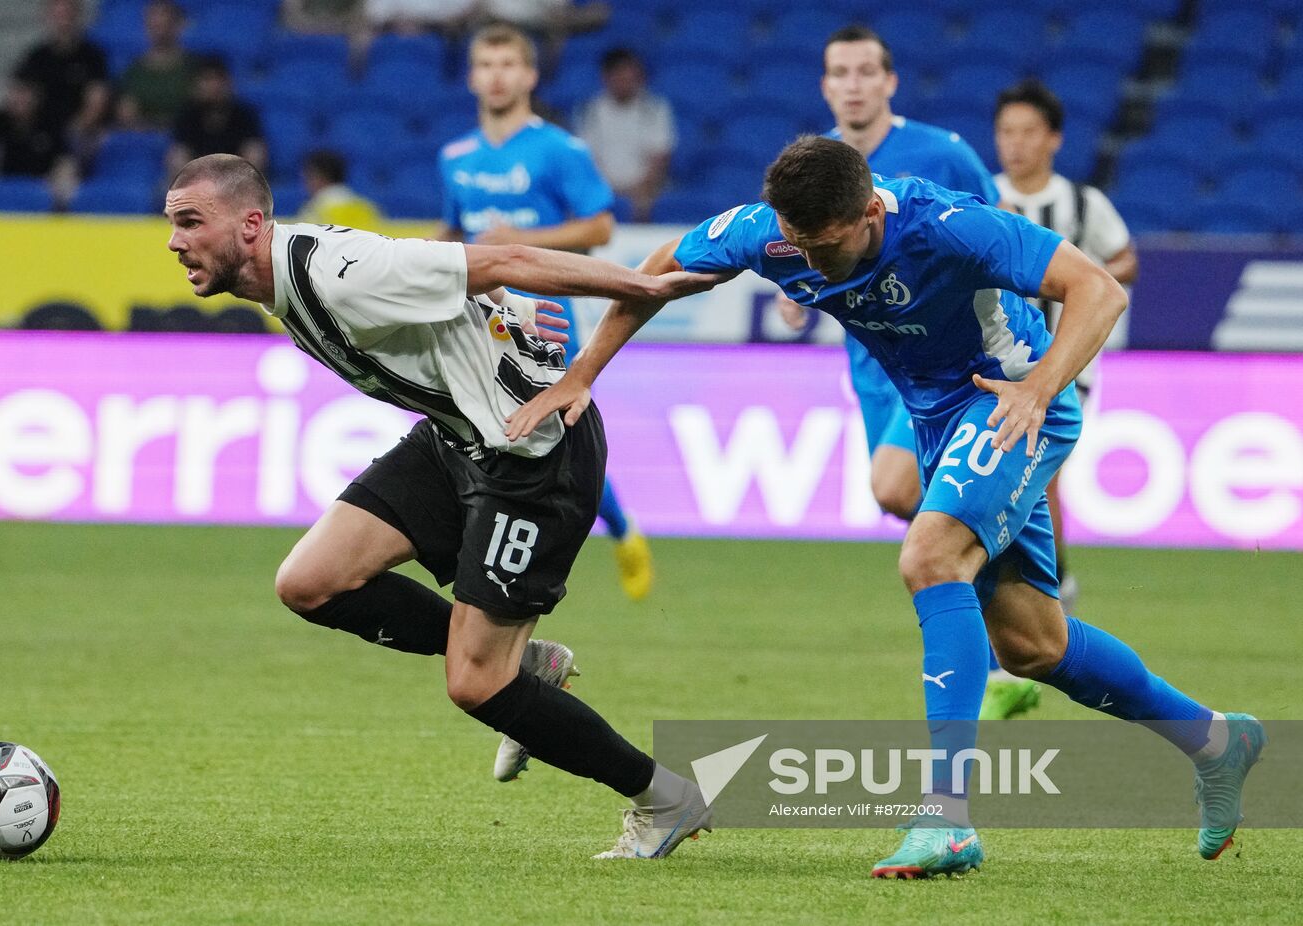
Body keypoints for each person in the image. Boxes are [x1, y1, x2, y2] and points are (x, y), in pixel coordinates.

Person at [505, 135, 1264, 878]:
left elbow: (1100, 288)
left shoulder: (948, 227)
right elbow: (660, 271)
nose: (807, 262)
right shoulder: (768, 235)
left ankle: (946, 819)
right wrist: (582, 375)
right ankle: (1215, 741)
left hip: (1009, 403)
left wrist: (1040, 387)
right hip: (937, 421)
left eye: (824, 247)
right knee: (1033, 646)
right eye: (797, 245)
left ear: (869, 211)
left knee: (929, 557)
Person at [163, 153, 722, 859]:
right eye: (171, 224)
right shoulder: (281, 277)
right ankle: (530, 665)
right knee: (310, 583)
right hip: (455, 442)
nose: (175, 241)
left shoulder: (340, 272)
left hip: (532, 455)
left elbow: (504, 258)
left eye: (190, 222)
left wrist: (643, 285)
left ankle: (663, 797)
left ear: (250, 225)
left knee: (474, 683)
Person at [782, 25, 1036, 722]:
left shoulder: (941, 153)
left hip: (947, 357)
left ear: (890, 82)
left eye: (868, 71)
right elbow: (794, 250)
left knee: (896, 488)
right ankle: (998, 656)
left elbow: (1001, 229)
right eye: (842, 72)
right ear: (825, 85)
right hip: (873, 364)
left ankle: (998, 627)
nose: (855, 83)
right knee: (909, 506)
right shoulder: (812, 165)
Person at [437, 24, 653, 622]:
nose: (498, 74)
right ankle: (491, 547)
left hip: (549, 317)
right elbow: (454, 234)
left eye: (510, 63)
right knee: (482, 433)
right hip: (480, 318)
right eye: (487, 63)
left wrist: (520, 243)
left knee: (553, 437)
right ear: (472, 75)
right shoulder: (454, 157)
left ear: (530, 75)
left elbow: (601, 227)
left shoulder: (560, 150)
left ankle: (617, 525)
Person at [993, 78, 1139, 615]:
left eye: (1028, 131)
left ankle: (1044, 581)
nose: (1016, 143)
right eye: (1007, 131)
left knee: (1036, 468)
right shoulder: (981, 195)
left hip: (1064, 363)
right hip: (990, 361)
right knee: (1020, 473)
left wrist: (1077, 275)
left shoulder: (1081, 202)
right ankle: (1037, 580)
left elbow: (1126, 262)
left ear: (1053, 139)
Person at [575, 47, 676, 222]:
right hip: (601, 190)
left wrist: (640, 192)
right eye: (619, 77)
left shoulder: (655, 109)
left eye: (630, 77)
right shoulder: (589, 111)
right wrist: (607, 192)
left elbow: (660, 157)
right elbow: (587, 158)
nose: (625, 82)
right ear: (606, 77)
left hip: (645, 193)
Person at [0, 76, 78, 208]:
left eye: (24, 93)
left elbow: (65, 161)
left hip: (43, 183)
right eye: (15, 92)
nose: (19, 99)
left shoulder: (50, 123)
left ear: (35, 97)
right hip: (0, 180)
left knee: (67, 188)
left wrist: (56, 179)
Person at [12, 0, 109, 146]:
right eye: (57, 14)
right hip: (43, 134)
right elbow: (21, 97)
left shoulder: (92, 56)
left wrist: (72, 131)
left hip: (79, 134)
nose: (63, 20)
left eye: (67, 14)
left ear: (77, 16)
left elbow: (97, 101)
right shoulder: (37, 57)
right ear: (48, 17)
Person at [167, 58, 267, 176]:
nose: (214, 86)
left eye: (219, 79)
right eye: (207, 80)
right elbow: (180, 155)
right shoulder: (187, 116)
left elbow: (254, 153)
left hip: (237, 181)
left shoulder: (244, 115)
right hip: (198, 180)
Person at [115, 0, 200, 130]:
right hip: (144, 138)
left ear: (177, 26)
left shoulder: (194, 67)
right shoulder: (134, 71)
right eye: (154, 25)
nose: (159, 31)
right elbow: (127, 114)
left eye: (165, 24)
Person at [296, 150, 384, 228]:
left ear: (317, 176)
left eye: (307, 177)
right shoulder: (367, 207)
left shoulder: (314, 210)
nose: (305, 183)